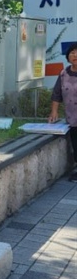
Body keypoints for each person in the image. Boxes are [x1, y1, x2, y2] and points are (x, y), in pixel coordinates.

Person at [48, 42, 77, 182]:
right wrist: (54, 112)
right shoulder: (63, 74)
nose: (75, 55)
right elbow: (56, 94)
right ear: (68, 56)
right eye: (72, 52)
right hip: (72, 118)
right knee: (76, 144)